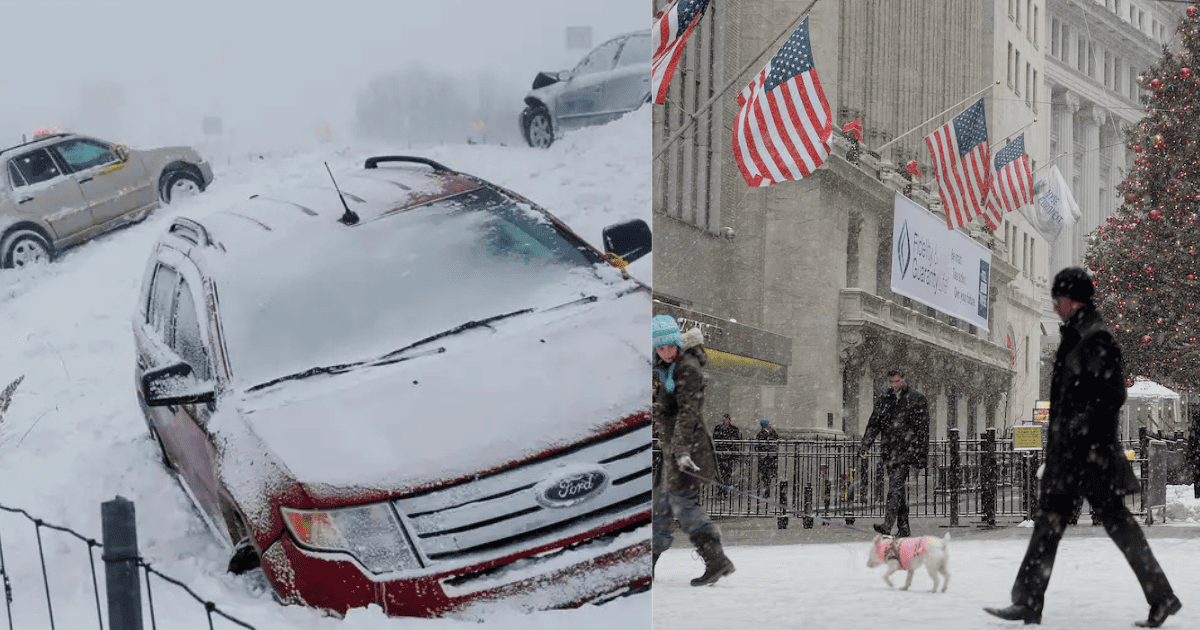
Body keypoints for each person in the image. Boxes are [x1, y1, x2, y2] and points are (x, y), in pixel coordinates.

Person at [985, 268, 1181, 627]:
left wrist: (1077, 429)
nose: (1055, 307)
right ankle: (1029, 600)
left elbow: (1113, 394)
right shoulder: (1078, 335)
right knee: (1050, 525)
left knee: (1114, 525)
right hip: (1073, 455)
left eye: (1058, 300)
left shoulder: (1095, 337)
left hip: (1089, 457)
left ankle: (1162, 597)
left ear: (1074, 301)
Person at [651, 315, 735, 586]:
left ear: (677, 342)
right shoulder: (668, 367)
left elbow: (687, 413)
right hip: (673, 449)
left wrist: (680, 451)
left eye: (668, 345)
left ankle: (716, 560)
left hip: (686, 449)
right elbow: (668, 408)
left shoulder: (686, 368)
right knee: (660, 507)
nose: (665, 351)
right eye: (659, 347)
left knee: (683, 505)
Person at [857, 369, 930, 538]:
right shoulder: (884, 400)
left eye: (897, 381)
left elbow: (923, 431)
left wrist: (920, 456)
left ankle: (887, 525)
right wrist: (865, 444)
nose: (894, 385)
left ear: (904, 379)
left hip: (906, 452)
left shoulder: (916, 399)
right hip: (889, 452)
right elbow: (874, 424)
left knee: (895, 487)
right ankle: (904, 528)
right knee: (899, 491)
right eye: (892, 382)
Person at [712, 414, 741, 489]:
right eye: (725, 419)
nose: (726, 421)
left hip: (728, 453)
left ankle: (724, 488)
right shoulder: (718, 428)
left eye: (727, 419)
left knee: (727, 472)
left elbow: (736, 441)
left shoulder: (733, 429)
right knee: (721, 472)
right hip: (721, 453)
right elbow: (715, 439)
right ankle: (722, 488)